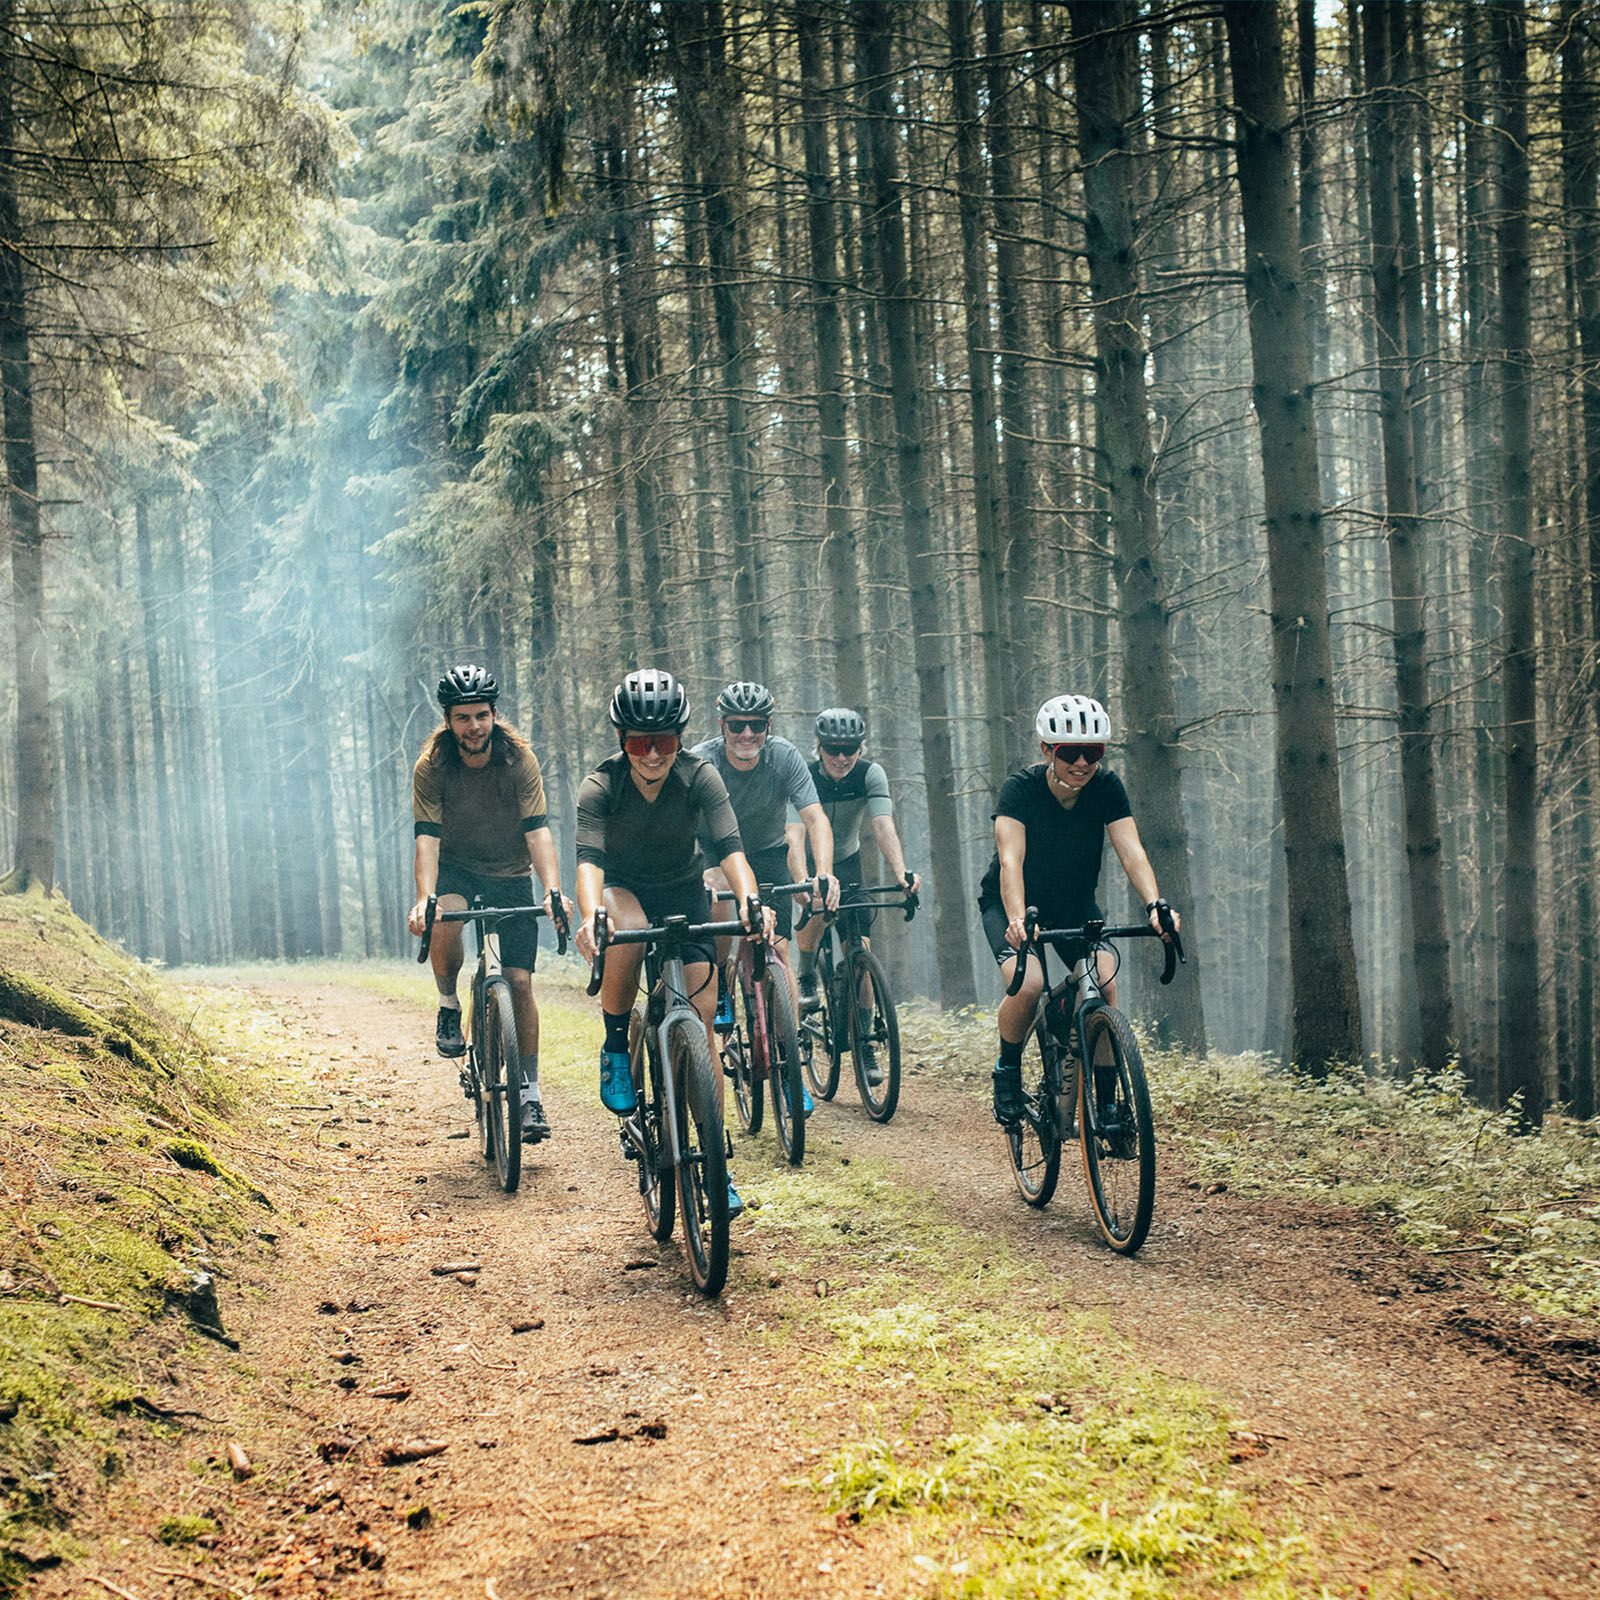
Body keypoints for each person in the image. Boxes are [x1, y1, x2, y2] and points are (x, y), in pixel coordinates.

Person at [573, 668, 773, 1216]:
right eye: (640, 743)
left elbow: (731, 850)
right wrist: (591, 914)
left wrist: (751, 901)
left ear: (679, 739)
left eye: (663, 741)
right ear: (623, 741)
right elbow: (588, 862)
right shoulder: (601, 786)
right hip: (624, 888)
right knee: (627, 926)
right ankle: (617, 1043)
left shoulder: (700, 776)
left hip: (684, 890)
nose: (653, 754)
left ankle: (715, 1164)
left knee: (702, 1029)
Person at [978, 694, 1179, 1125]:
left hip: (1074, 905)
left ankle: (1106, 1103)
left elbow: (1132, 852)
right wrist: (1018, 919)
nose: (1084, 762)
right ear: (1047, 750)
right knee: (1028, 985)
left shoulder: (1107, 788)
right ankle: (1007, 1071)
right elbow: (1011, 861)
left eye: (1094, 751)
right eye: (1071, 752)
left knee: (1104, 982)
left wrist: (1154, 905)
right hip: (1013, 905)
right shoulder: (1019, 790)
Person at [407, 665, 569, 1143]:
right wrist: (424, 898)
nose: (474, 726)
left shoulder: (518, 759)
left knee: (519, 982)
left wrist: (552, 889)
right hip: (456, 868)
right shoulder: (432, 766)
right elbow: (427, 840)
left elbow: (538, 831)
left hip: (511, 872)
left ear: (495, 714)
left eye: (481, 715)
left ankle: (530, 1095)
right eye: (463, 718)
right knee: (443, 917)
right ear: (448, 720)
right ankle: (448, 1004)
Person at [785, 707, 920, 1084]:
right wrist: (801, 880)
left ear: (861, 748)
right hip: (806, 861)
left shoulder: (869, 774)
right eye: (833, 749)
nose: (842, 757)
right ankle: (807, 972)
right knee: (817, 904)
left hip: (846, 862)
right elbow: (794, 834)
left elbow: (882, 825)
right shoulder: (803, 776)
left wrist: (901, 873)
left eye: (850, 749)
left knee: (861, 953)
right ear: (818, 746)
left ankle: (864, 1042)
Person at [692, 682, 837, 1023]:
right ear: (722, 726)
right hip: (714, 851)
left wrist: (825, 873)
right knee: (719, 902)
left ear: (768, 726)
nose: (746, 734)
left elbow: (815, 818)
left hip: (767, 853)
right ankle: (721, 979)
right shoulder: (702, 761)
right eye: (736, 725)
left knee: (779, 947)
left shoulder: (784, 756)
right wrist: (697, 870)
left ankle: (788, 1043)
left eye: (756, 725)